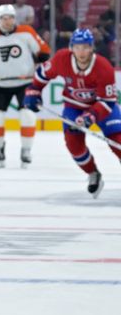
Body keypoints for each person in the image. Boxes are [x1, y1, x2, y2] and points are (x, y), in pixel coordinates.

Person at [24, 28, 121, 198]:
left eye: (85, 47)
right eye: (77, 47)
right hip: (74, 107)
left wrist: (90, 116)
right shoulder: (62, 59)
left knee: (117, 140)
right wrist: (33, 90)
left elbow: (107, 101)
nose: (81, 51)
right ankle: (93, 173)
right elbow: (42, 75)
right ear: (71, 47)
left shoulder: (104, 66)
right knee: (74, 146)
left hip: (103, 108)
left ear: (92, 48)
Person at [0, 5, 51, 168]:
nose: (7, 21)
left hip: (24, 83)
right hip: (1, 83)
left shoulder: (26, 31)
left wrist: (42, 57)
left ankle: (26, 150)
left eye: (10, 17)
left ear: (14, 18)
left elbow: (43, 50)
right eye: (3, 18)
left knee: (27, 115)